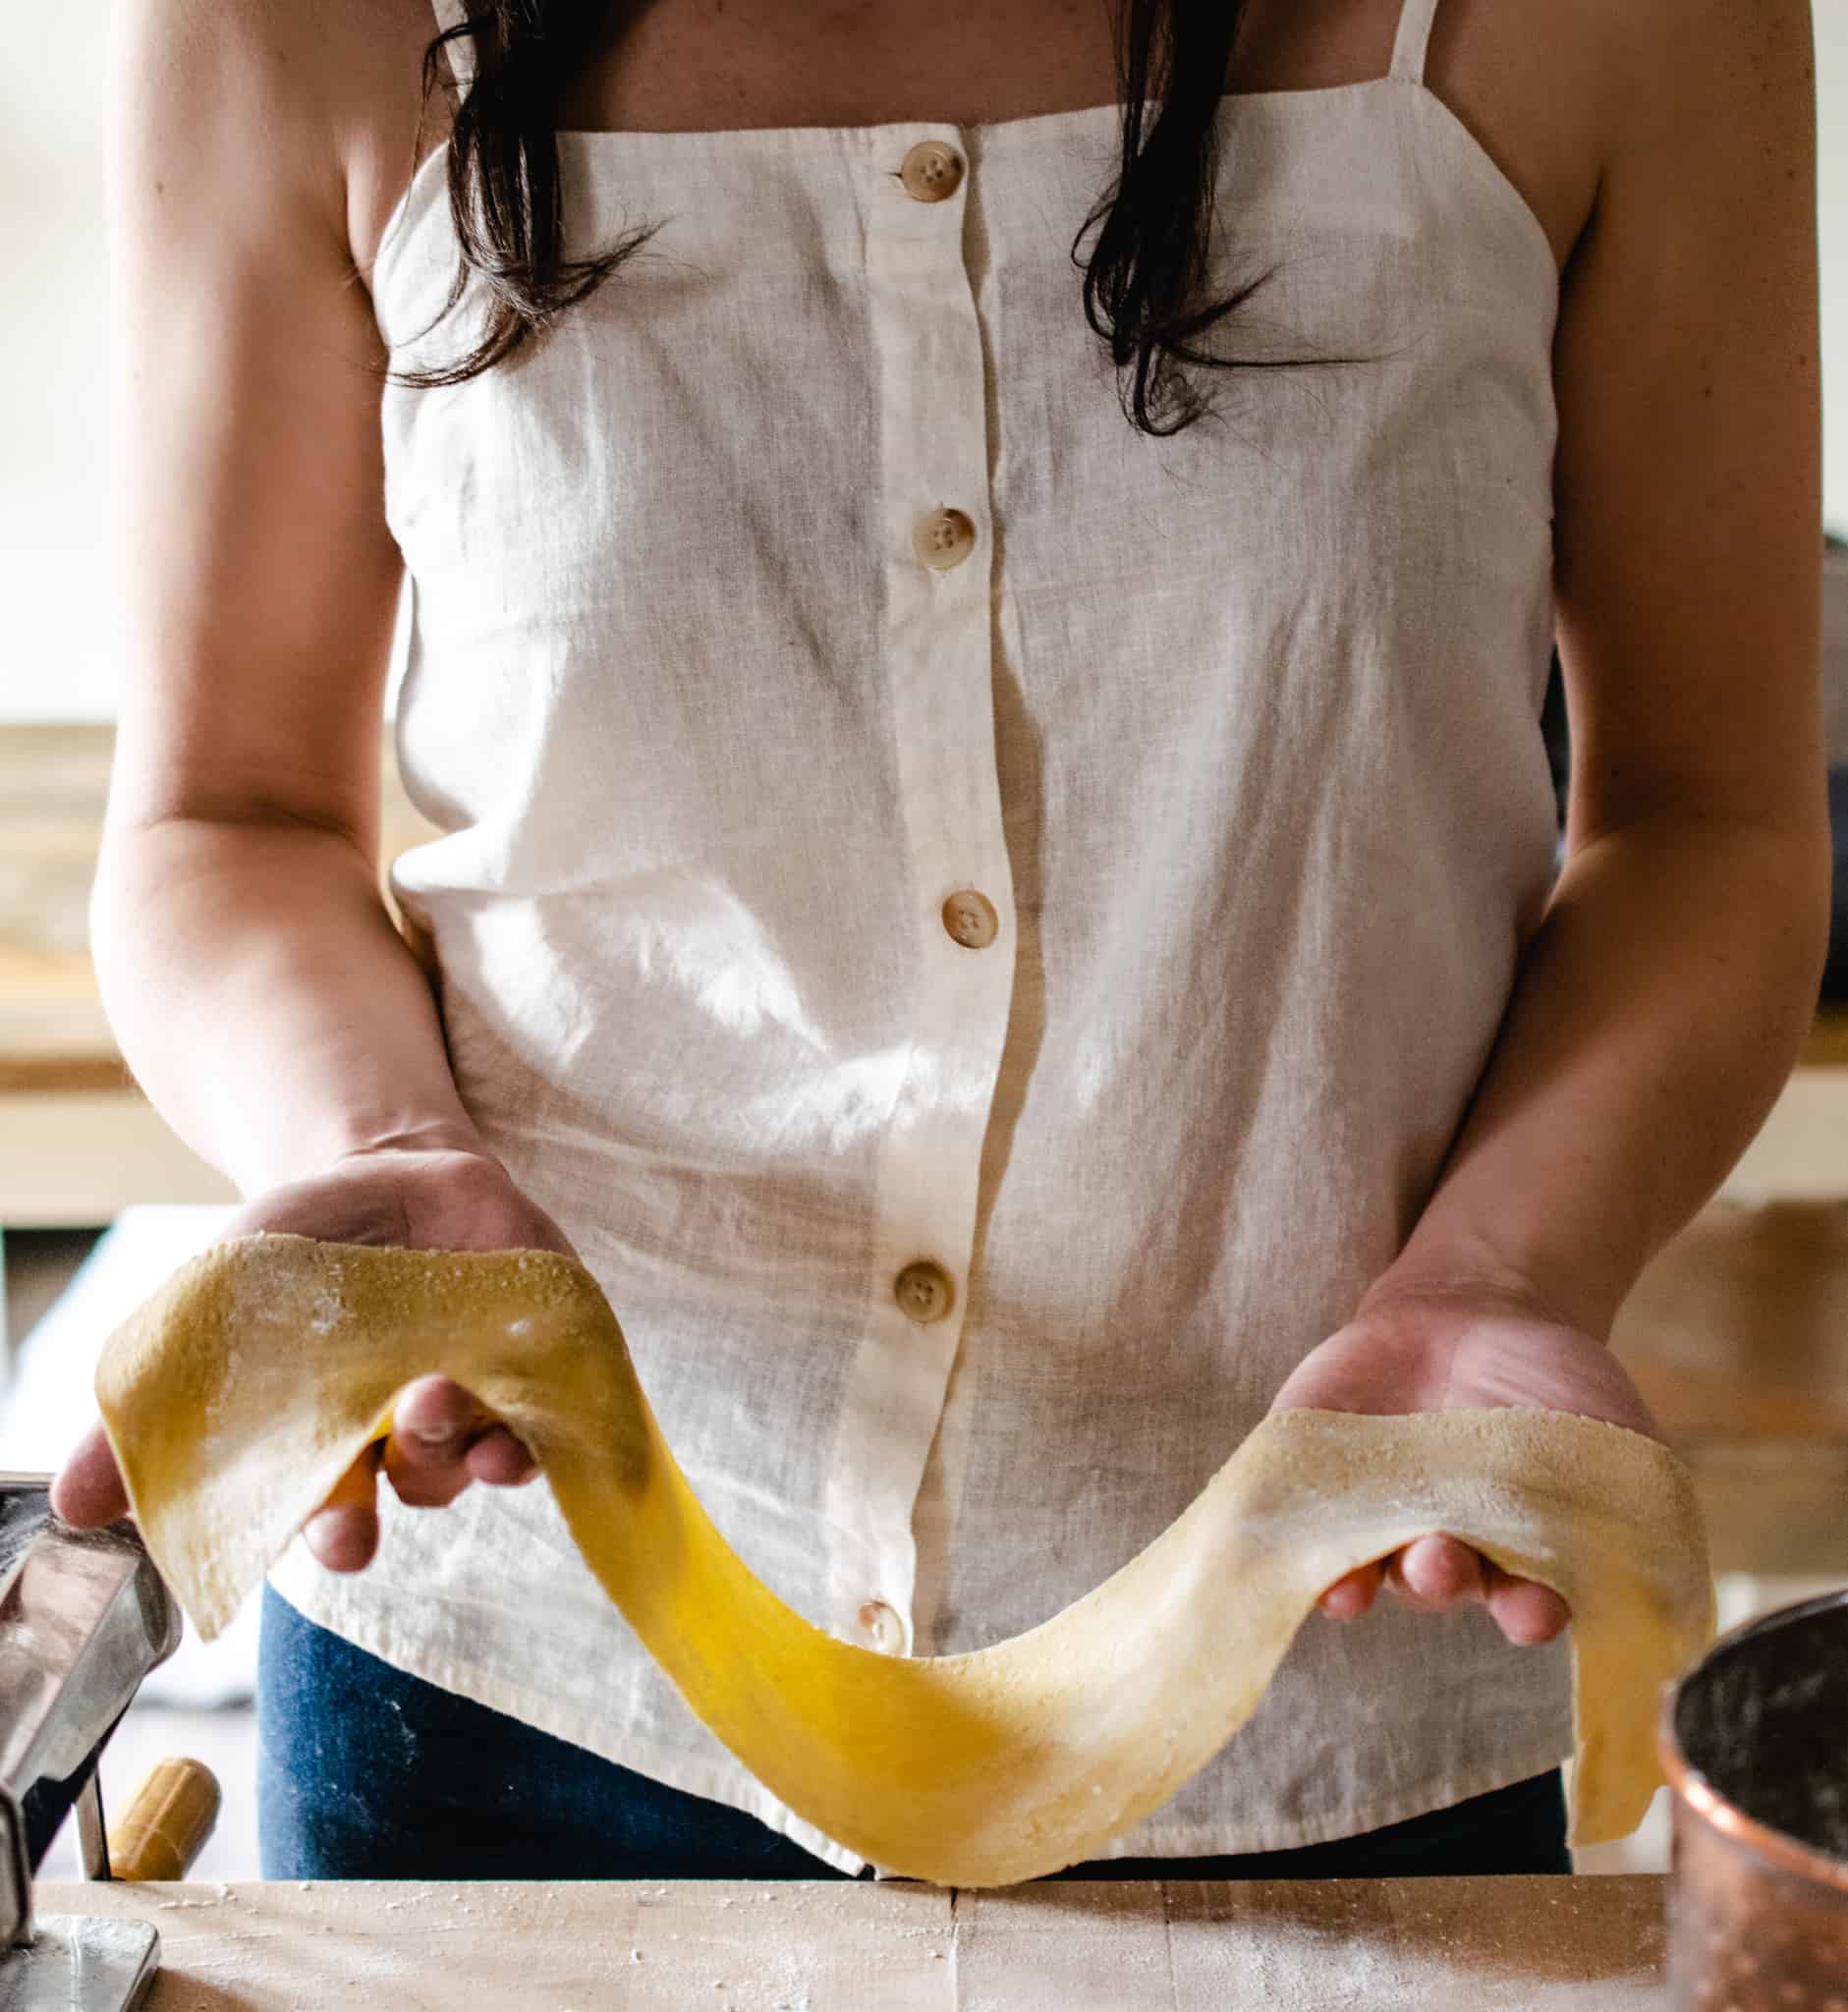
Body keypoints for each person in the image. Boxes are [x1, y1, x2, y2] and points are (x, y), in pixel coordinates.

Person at [52, 0, 1825, 1881]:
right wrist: (371, 1143)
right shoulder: (276, 24)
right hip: (505, 1679)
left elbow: (1703, 830)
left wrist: (1507, 1271)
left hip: (1333, 1669)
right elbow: (225, 819)